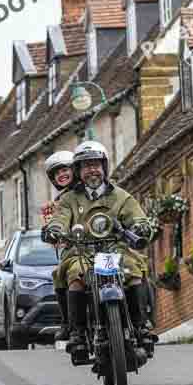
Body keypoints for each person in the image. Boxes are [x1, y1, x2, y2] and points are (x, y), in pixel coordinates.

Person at [43, 140, 153, 353]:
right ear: (78, 171)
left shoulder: (121, 196)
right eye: (86, 166)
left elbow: (138, 217)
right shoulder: (69, 199)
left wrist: (140, 226)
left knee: (134, 269)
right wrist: (55, 229)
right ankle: (77, 334)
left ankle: (141, 326)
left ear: (104, 167)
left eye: (96, 164)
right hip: (81, 252)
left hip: (116, 250)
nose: (92, 170)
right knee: (75, 275)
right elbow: (60, 218)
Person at [41, 151, 76, 341]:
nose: (62, 175)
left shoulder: (89, 190)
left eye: (65, 170)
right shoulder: (56, 204)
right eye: (57, 173)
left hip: (102, 244)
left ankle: (140, 320)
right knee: (59, 273)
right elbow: (53, 227)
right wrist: (49, 233)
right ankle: (68, 322)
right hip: (76, 248)